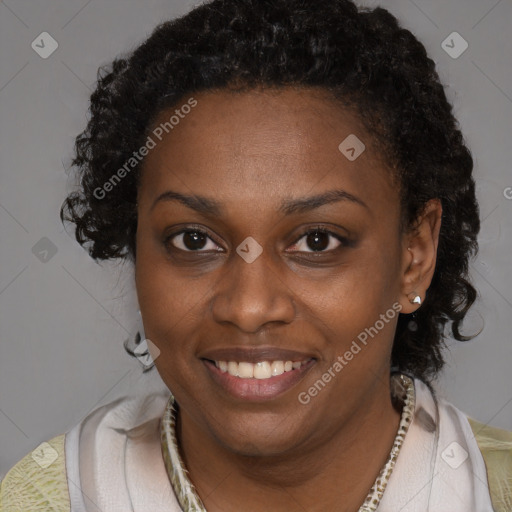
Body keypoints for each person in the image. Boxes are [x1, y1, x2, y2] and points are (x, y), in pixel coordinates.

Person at [1, 0, 511, 510]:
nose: (248, 309)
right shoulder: (49, 498)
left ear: (414, 256)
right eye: (194, 240)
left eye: (317, 241)